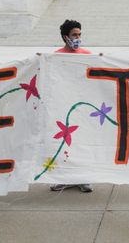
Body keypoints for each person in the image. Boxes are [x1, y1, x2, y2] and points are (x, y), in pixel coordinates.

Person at [51, 19, 93, 193]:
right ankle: (63, 178)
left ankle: (83, 178)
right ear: (65, 37)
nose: (77, 38)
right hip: (62, 103)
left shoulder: (87, 55)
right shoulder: (55, 56)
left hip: (82, 104)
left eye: (79, 34)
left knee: (82, 141)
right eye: (74, 35)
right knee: (63, 142)